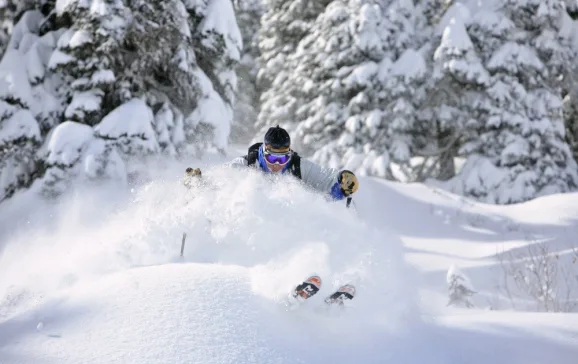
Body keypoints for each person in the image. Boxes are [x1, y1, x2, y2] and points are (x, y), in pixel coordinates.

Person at [227, 125, 359, 203]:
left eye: (283, 159)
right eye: (272, 159)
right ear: (263, 153)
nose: (277, 164)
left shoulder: (298, 166)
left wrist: (342, 179)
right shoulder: (246, 165)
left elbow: (325, 178)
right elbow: (223, 182)